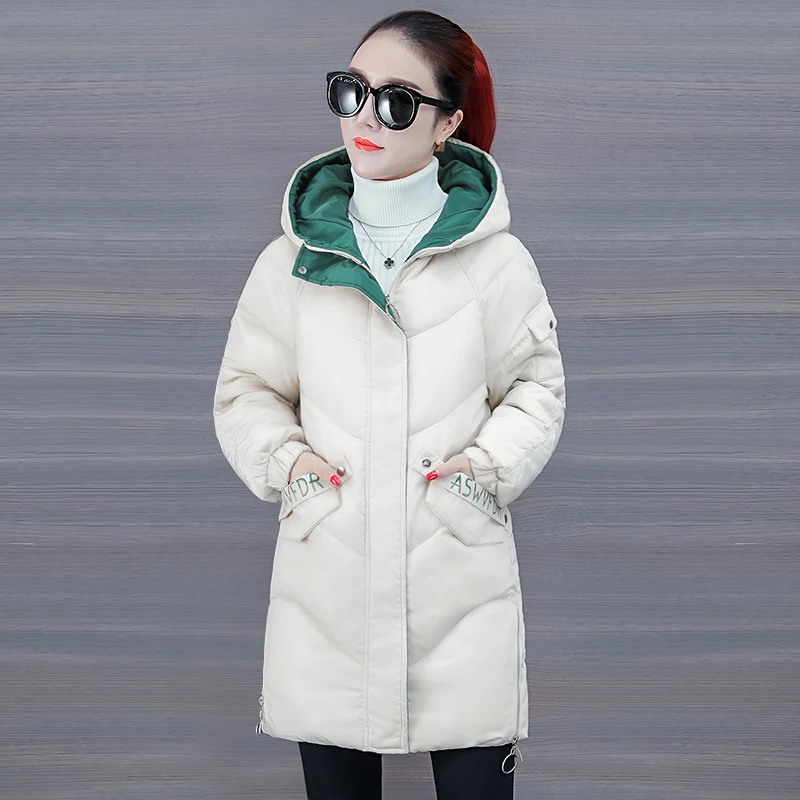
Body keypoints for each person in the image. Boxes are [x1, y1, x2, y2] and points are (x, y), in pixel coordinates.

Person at [212, 9, 567, 800]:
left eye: (398, 101)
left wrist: (483, 471)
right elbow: (246, 391)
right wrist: (289, 464)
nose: (366, 118)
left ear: (448, 123)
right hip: (327, 594)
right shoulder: (291, 262)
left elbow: (536, 388)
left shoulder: (496, 262)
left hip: (459, 588)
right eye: (353, 91)